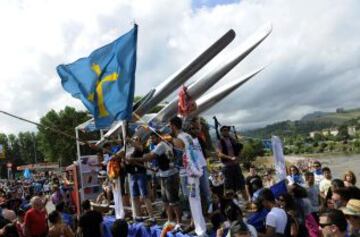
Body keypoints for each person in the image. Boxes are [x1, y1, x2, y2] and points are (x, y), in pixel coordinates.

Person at [132, 131, 182, 227]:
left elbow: (149, 157)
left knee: (173, 201)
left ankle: (178, 223)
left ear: (159, 137)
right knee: (165, 200)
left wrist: (133, 159)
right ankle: (170, 220)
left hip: (170, 175)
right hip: (164, 174)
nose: (152, 140)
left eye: (153, 138)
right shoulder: (163, 144)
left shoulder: (161, 145)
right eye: (151, 138)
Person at [169, 116, 207, 236]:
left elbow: (180, 152)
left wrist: (171, 142)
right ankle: (198, 226)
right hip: (194, 171)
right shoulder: (188, 136)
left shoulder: (179, 138)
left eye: (170, 126)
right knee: (194, 199)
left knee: (192, 199)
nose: (169, 128)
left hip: (188, 174)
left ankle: (199, 229)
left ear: (173, 126)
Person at [187, 118, 213, 214]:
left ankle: (209, 210)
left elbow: (205, 151)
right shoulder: (186, 141)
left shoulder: (200, 139)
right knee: (196, 192)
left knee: (206, 190)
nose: (196, 130)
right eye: (193, 128)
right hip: (193, 169)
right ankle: (200, 212)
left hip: (203, 167)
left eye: (197, 128)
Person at [126, 136, 154, 221]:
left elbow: (140, 149)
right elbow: (126, 159)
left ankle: (151, 217)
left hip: (141, 173)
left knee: (145, 195)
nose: (134, 141)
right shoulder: (129, 149)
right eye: (134, 139)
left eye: (136, 139)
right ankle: (138, 216)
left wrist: (130, 140)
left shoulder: (143, 148)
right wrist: (126, 162)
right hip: (132, 174)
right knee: (135, 196)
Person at [216, 126, 247, 201]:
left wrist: (239, 156)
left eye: (227, 130)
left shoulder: (232, 140)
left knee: (242, 185)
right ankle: (231, 205)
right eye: (224, 130)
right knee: (229, 189)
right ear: (221, 132)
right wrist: (230, 158)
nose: (226, 132)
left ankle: (248, 203)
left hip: (236, 165)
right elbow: (219, 154)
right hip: (227, 167)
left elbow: (239, 149)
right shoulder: (220, 142)